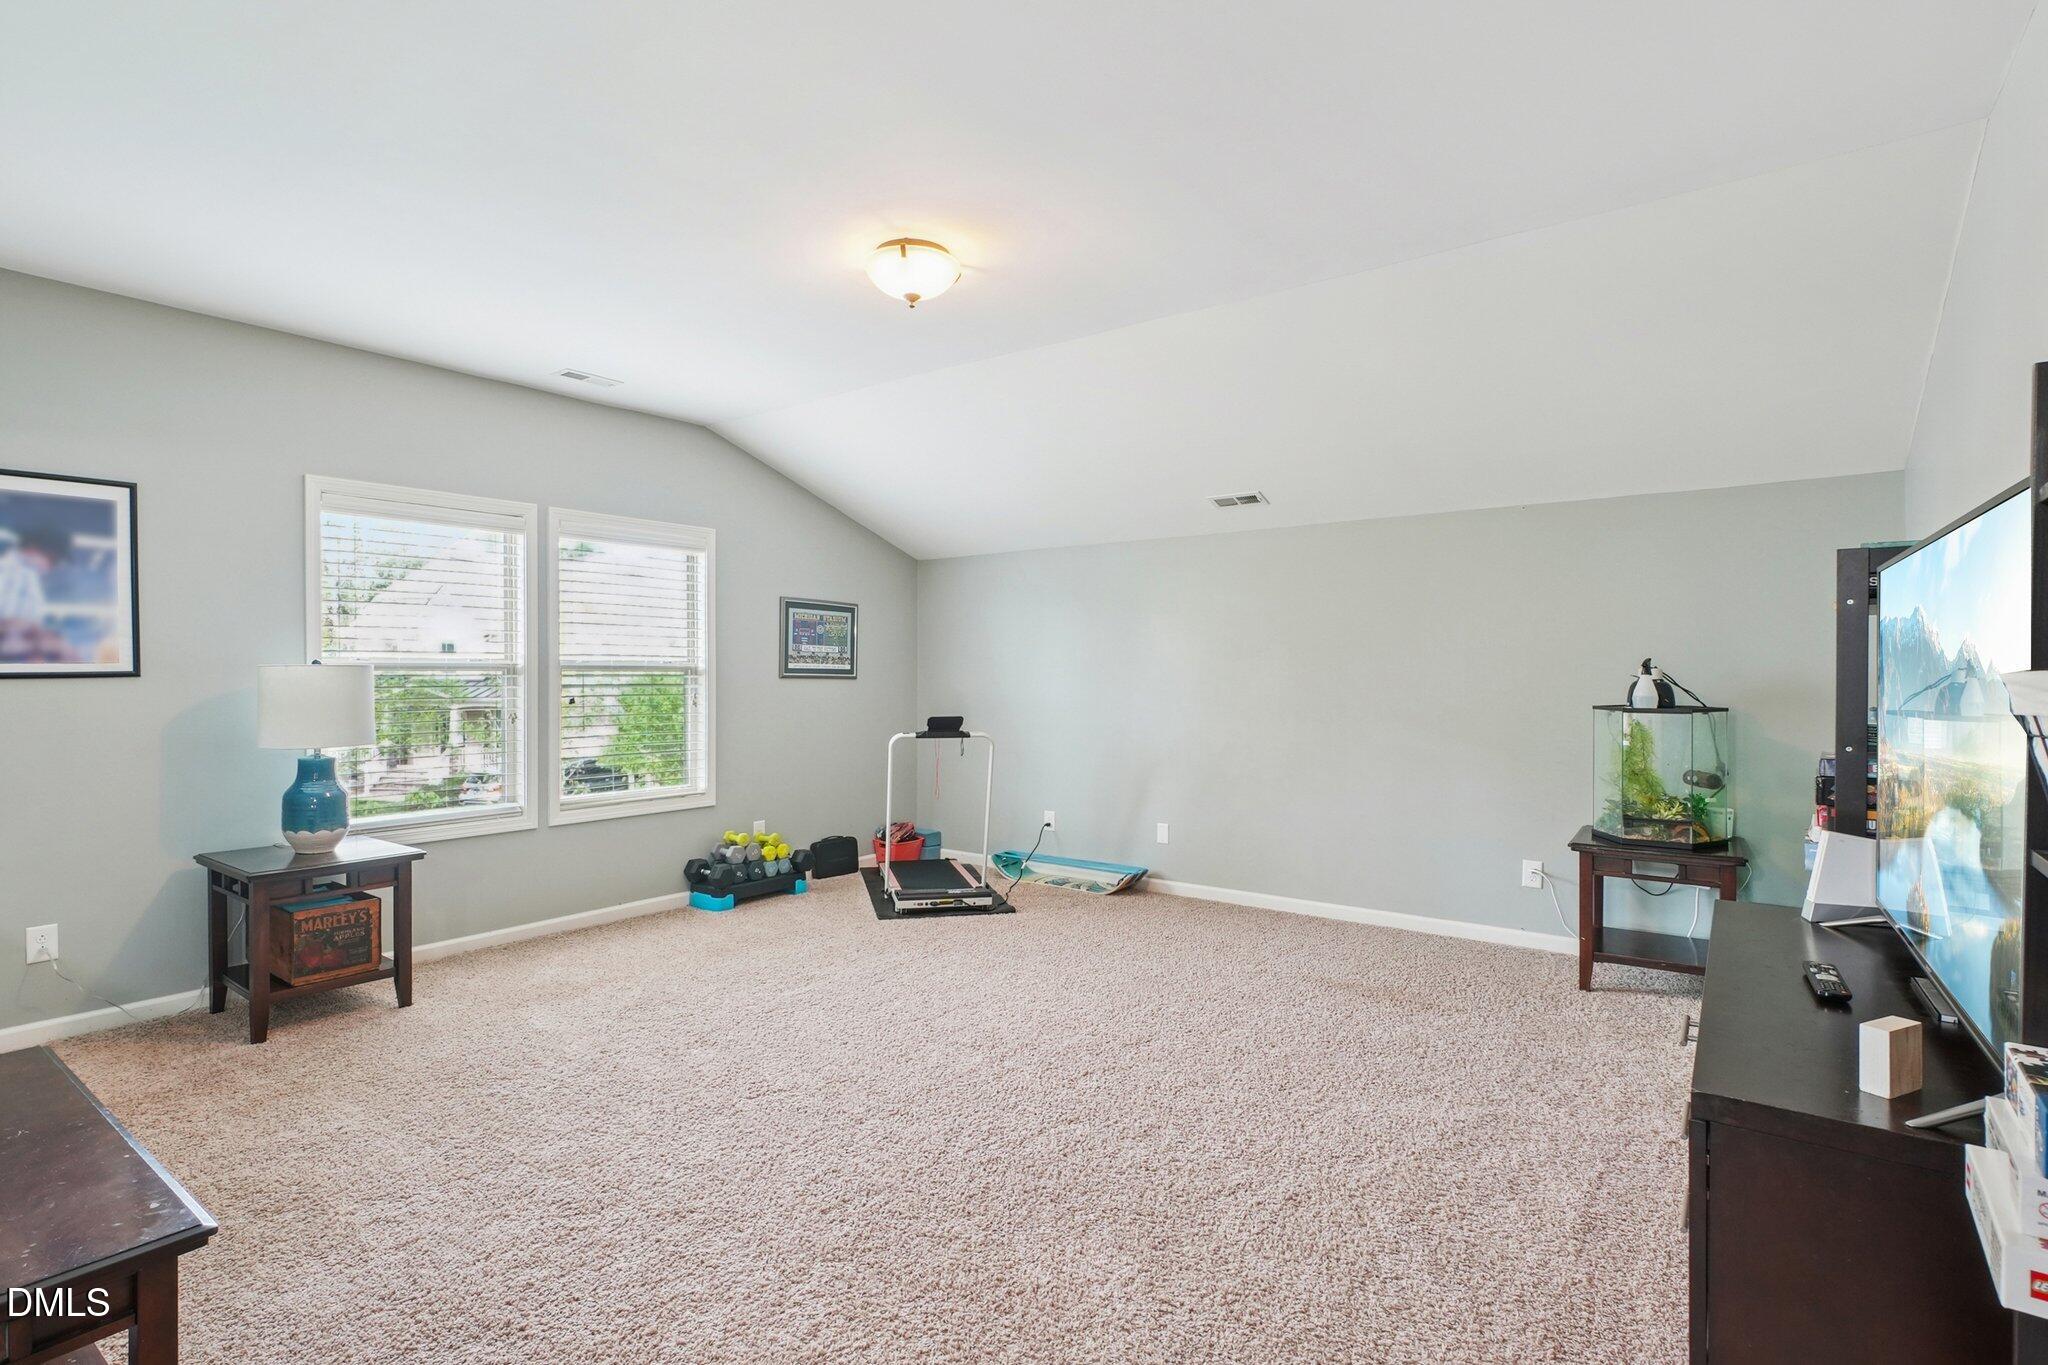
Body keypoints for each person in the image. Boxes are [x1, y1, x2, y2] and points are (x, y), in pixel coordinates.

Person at [0, 524, 73, 663]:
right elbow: (9, 626)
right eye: (53, 559)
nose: (53, 567)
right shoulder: (16, 572)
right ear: (33, 548)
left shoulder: (25, 573)